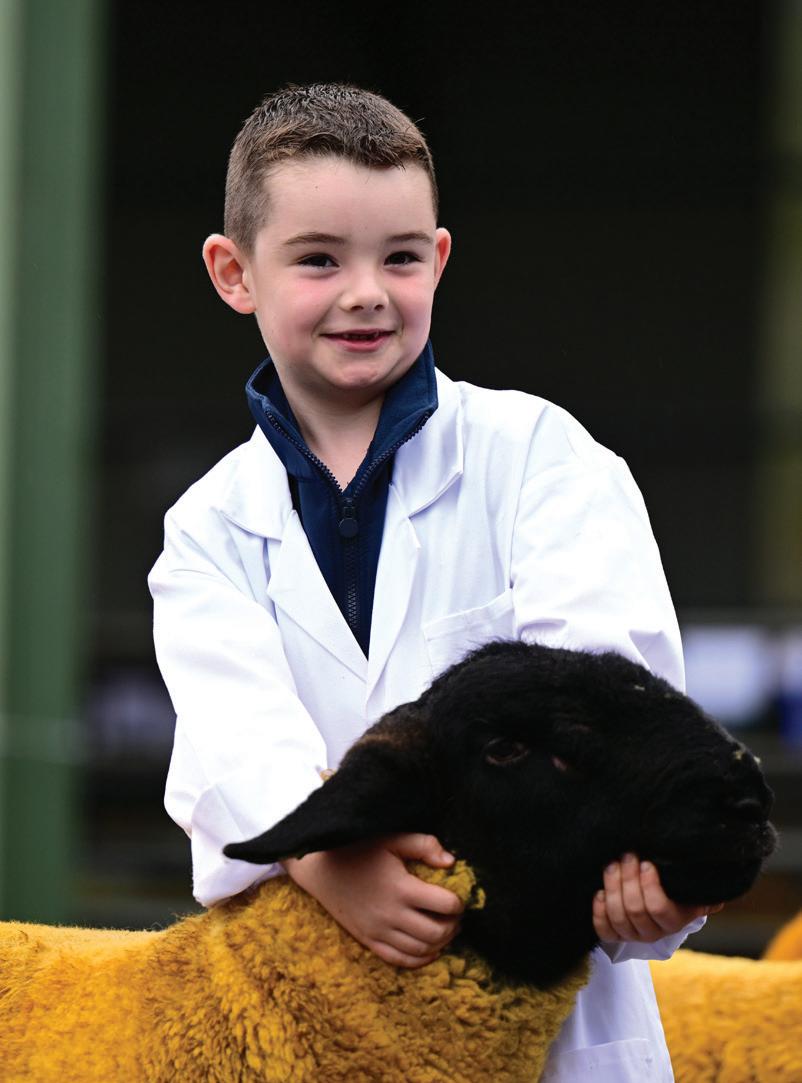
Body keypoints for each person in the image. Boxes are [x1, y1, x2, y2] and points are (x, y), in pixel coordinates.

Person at [149, 82, 717, 1082]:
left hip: (555, 1025)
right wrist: (327, 861)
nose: (366, 291)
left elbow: (611, 704)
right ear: (234, 272)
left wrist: (649, 881)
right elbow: (233, 744)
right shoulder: (209, 529)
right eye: (319, 259)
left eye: (401, 257)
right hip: (326, 1018)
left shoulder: (540, 457)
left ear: (440, 259)